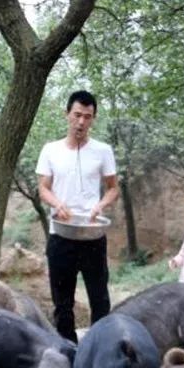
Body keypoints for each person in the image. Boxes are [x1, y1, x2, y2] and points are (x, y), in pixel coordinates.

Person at [36, 90, 119, 343]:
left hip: (92, 234)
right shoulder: (51, 150)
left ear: (93, 118)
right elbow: (43, 188)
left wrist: (100, 205)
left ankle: (101, 348)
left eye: (88, 116)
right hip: (61, 235)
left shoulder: (103, 151)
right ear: (67, 115)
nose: (81, 122)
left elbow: (113, 187)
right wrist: (57, 204)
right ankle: (68, 353)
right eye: (77, 115)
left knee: (100, 299)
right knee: (62, 303)